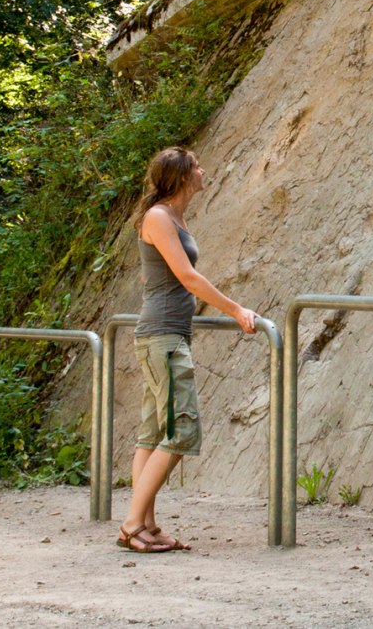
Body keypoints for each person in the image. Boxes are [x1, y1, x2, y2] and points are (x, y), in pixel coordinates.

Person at [118, 146, 258, 553]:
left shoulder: (172, 216)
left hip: (165, 335)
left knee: (152, 434)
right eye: (196, 165)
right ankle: (131, 524)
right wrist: (235, 310)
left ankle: (145, 522)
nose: (203, 169)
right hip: (162, 337)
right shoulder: (159, 217)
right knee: (181, 430)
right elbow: (187, 276)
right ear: (181, 177)